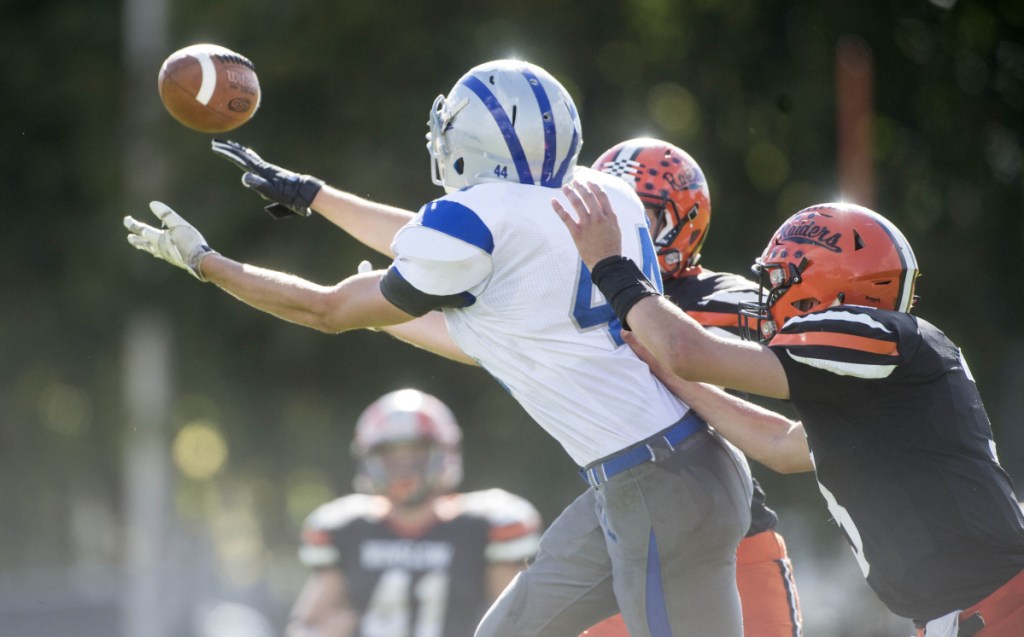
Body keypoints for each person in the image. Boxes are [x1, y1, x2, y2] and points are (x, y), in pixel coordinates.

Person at [123, 59, 755, 636]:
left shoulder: (478, 225)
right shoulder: (601, 193)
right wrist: (313, 194)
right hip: (684, 464)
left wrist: (207, 263)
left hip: (651, 481)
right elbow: (442, 237)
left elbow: (326, 308)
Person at [553, 186, 1024, 637]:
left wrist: (611, 265)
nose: (768, 296)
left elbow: (685, 348)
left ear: (829, 283)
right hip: (972, 613)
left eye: (778, 281)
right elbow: (782, 445)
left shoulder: (879, 334)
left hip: (998, 611)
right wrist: (676, 380)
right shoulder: (890, 371)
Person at [580, 139, 803, 637]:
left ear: (683, 219)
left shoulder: (725, 299)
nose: (625, 230)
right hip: (620, 532)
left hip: (729, 531)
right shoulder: (567, 299)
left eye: (640, 214)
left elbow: (807, 351)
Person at [288, 388, 541, 637]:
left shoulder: (485, 528)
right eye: (391, 455)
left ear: (442, 454)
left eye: (416, 453)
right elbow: (306, 626)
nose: (404, 468)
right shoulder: (347, 530)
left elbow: (521, 624)